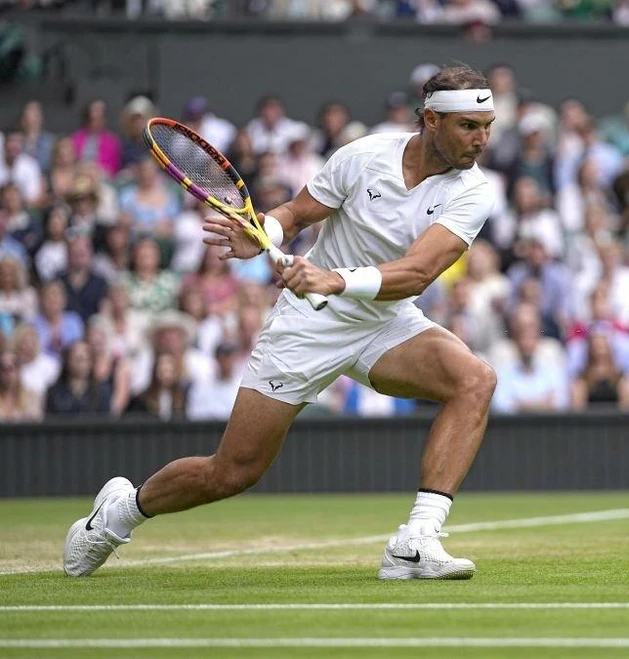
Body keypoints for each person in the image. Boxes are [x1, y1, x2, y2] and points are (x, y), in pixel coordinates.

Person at [64, 66, 498, 582]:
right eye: (469, 126)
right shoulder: (364, 156)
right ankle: (117, 514)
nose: (482, 139)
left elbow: (417, 273)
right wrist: (262, 229)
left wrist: (333, 279)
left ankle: (416, 541)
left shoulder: (474, 190)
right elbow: (294, 213)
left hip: (383, 320)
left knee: (474, 380)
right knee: (232, 472)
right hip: (307, 326)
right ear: (431, 119)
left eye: (487, 125)